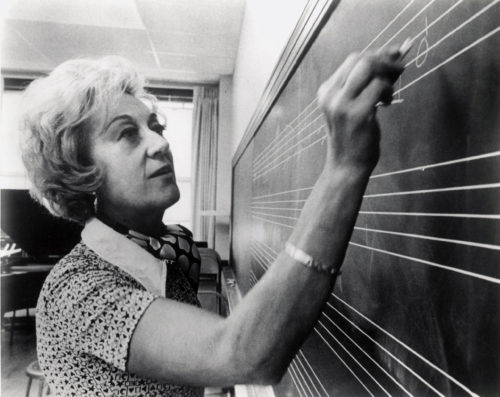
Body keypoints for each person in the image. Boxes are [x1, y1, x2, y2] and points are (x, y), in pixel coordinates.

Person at [20, 47, 404, 396]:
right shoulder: (78, 290)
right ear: (80, 173)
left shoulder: (172, 249)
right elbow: (242, 355)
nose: (160, 143)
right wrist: (345, 167)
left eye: (155, 126)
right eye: (127, 134)